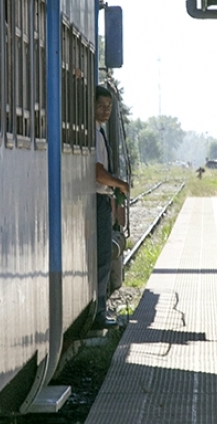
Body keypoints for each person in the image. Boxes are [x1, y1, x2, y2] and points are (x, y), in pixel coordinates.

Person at [94, 85, 129, 329]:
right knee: (103, 257)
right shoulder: (95, 135)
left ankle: (99, 307)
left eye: (108, 107)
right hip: (97, 200)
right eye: (101, 106)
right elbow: (98, 173)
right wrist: (120, 184)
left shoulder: (99, 132)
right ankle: (99, 311)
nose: (105, 111)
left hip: (102, 198)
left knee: (103, 257)